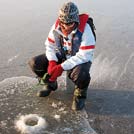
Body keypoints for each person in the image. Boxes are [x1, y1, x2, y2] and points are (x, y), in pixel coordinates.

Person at [28, 1, 96, 111]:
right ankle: (51, 84)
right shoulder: (56, 27)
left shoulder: (86, 30)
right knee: (35, 62)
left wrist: (61, 67)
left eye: (69, 24)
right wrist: (52, 62)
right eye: (63, 22)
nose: (65, 26)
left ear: (76, 21)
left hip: (79, 59)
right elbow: (49, 46)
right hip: (62, 54)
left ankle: (80, 93)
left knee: (81, 74)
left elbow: (84, 55)